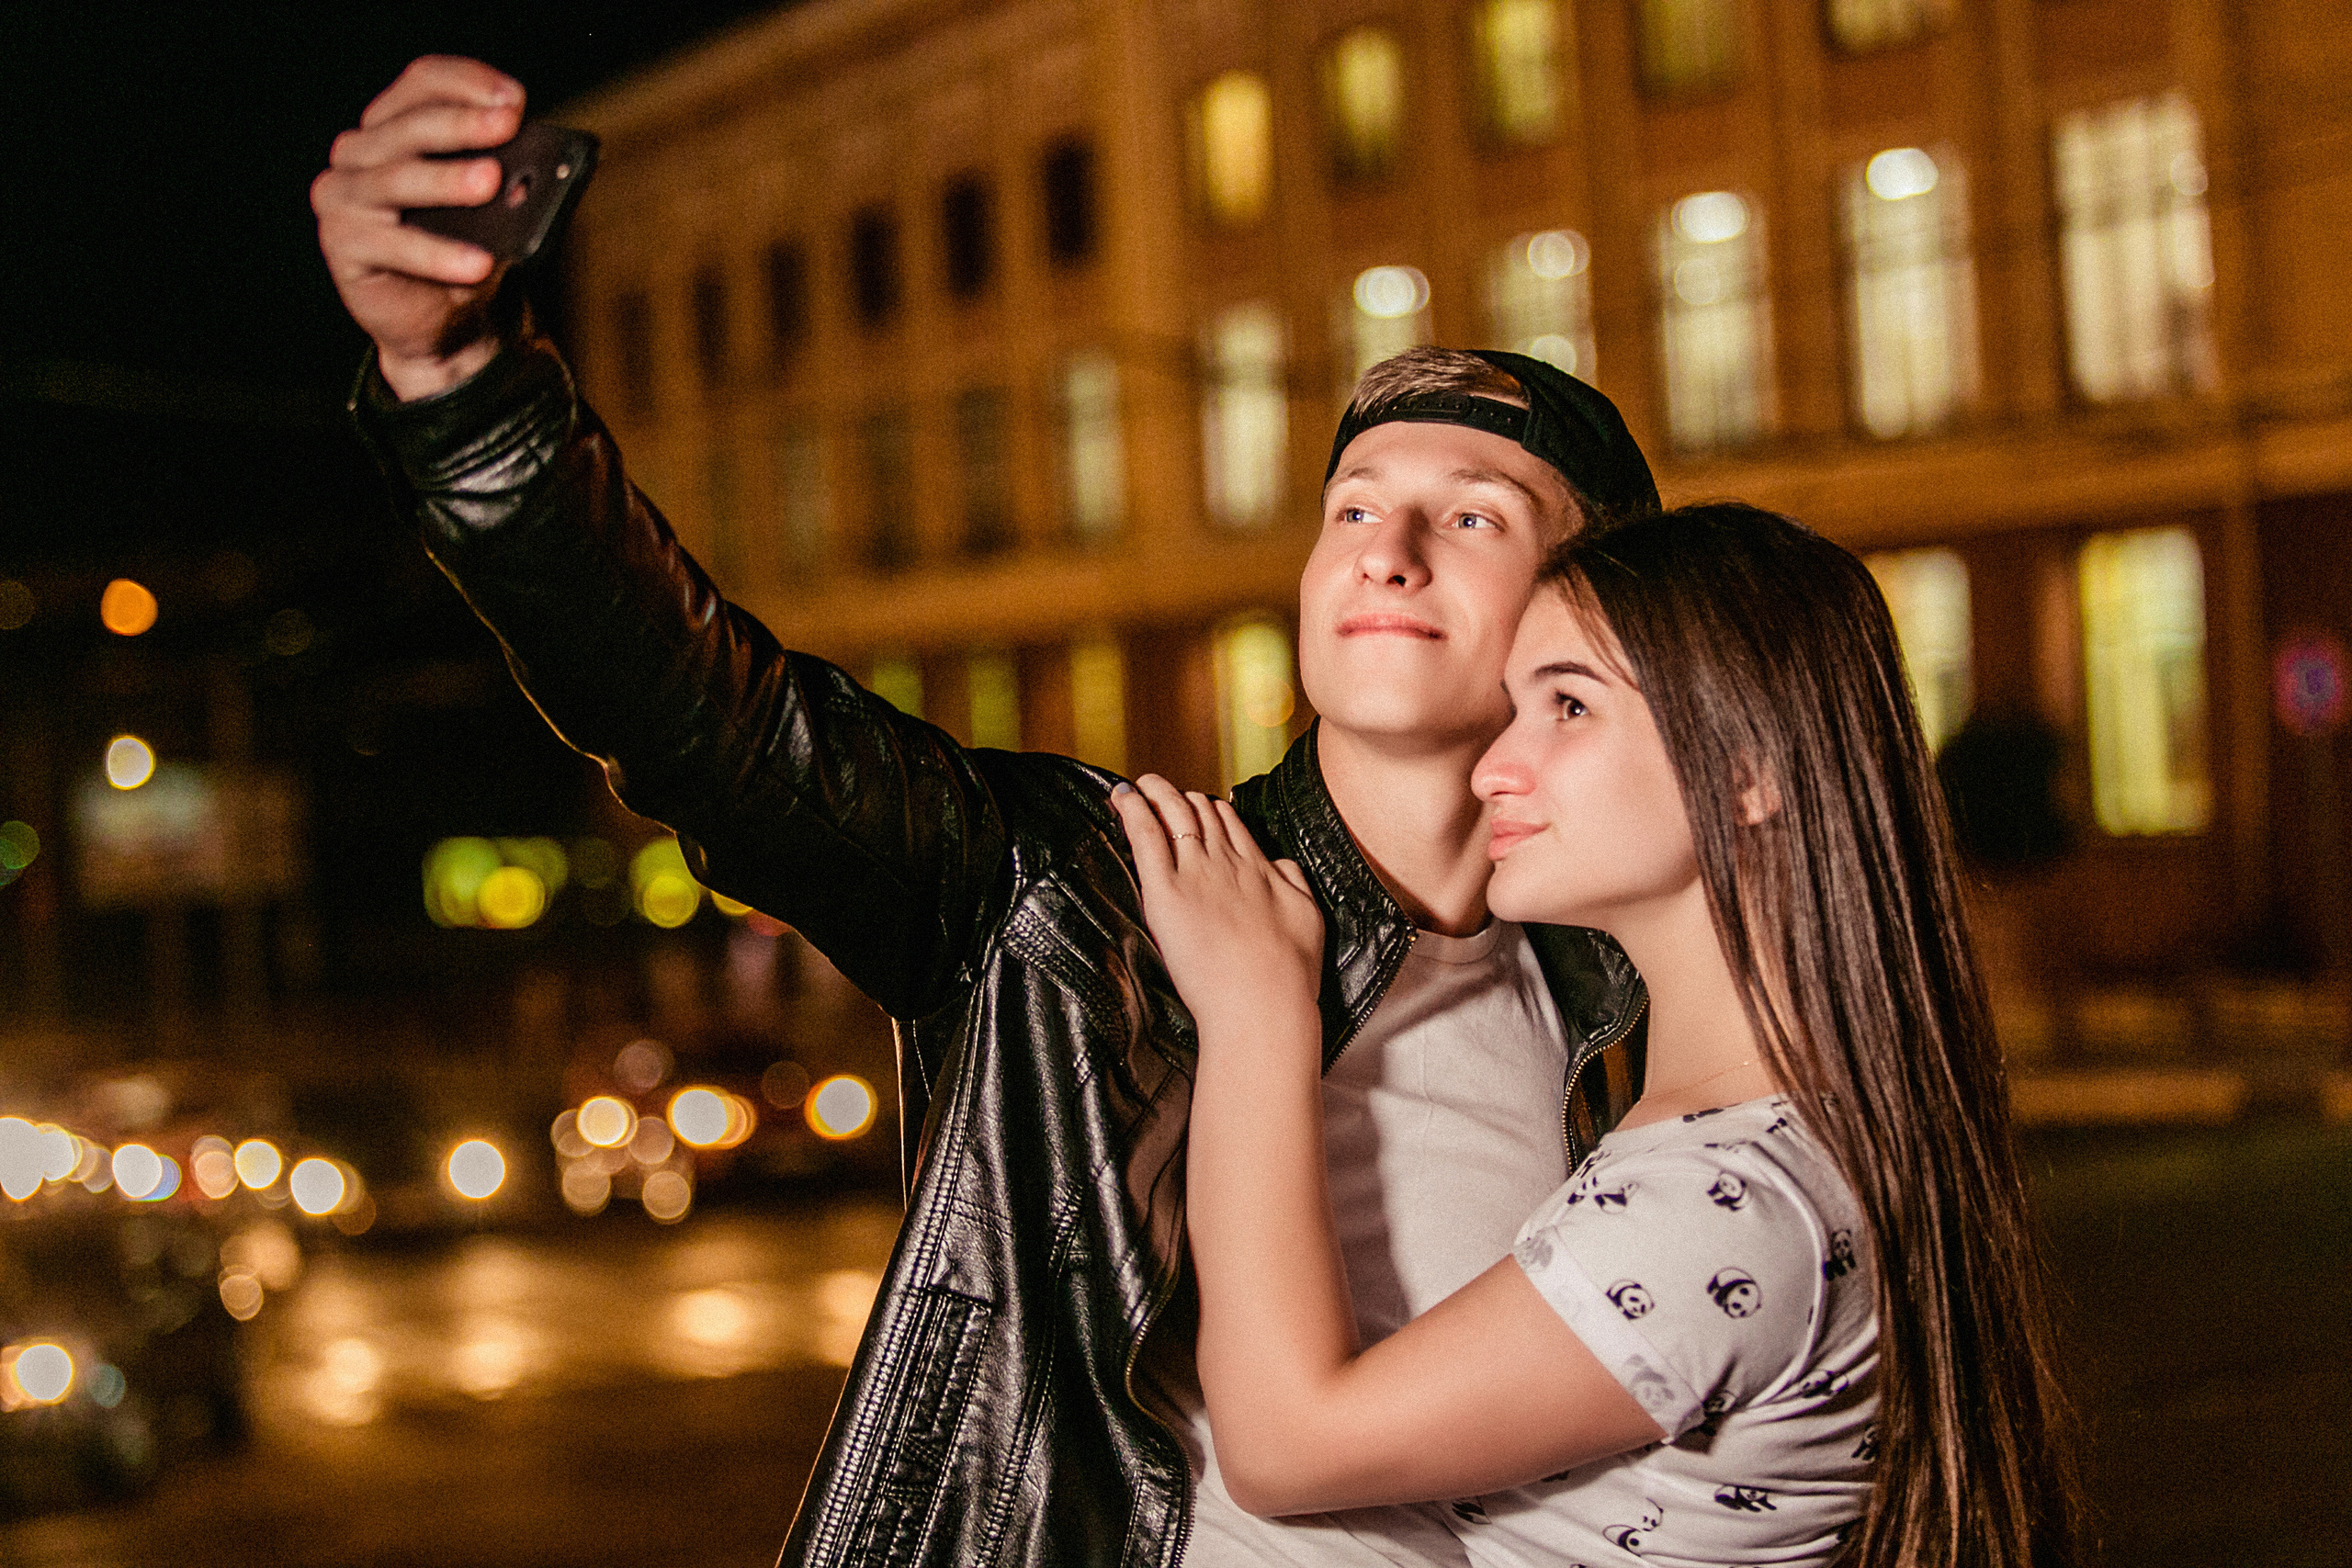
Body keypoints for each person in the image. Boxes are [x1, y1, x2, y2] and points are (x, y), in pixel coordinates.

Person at [313, 57, 1663, 1568]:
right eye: (1353, 503)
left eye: (1470, 511)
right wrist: (463, 390)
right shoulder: (1078, 893)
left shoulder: (1618, 1003)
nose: (1386, 546)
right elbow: (710, 723)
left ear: (1585, 618)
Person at [1113, 504, 2083, 1568]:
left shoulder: (1728, 1207)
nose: (1495, 769)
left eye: (1568, 706)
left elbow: (1287, 1445)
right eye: (1511, 709)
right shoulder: (1758, 1144)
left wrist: (1255, 1012)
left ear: (1749, 765)